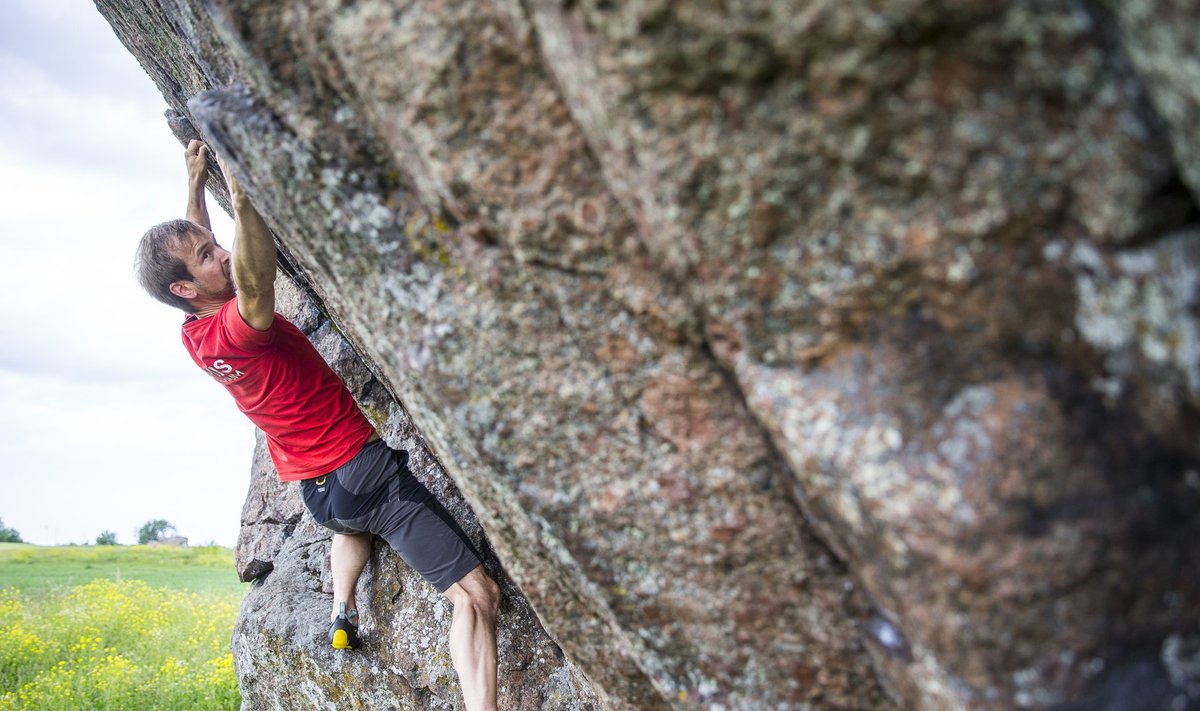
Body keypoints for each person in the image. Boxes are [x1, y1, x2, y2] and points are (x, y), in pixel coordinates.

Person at [135, 140, 500, 711]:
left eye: (217, 245)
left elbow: (196, 259)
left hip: (322, 495)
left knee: (351, 522)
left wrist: (193, 182)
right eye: (210, 256)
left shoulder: (195, 335)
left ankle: (342, 607)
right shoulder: (237, 327)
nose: (224, 254)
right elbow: (256, 283)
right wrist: (243, 197)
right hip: (363, 471)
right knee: (476, 597)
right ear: (185, 290)